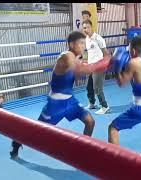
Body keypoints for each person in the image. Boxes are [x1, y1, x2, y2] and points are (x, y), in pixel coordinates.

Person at [10, 31, 111, 159]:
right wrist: (106, 61)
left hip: (70, 101)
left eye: (83, 43)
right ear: (71, 44)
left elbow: (79, 73)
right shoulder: (66, 56)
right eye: (80, 43)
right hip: (55, 104)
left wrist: (101, 63)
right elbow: (83, 71)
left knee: (90, 122)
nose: (83, 47)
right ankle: (17, 142)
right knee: (37, 131)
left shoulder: (75, 58)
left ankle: (83, 149)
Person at [82, 19, 110, 114]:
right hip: (90, 66)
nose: (86, 29)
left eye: (87, 27)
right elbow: (88, 53)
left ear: (91, 27)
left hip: (99, 66)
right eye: (84, 28)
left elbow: (106, 53)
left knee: (97, 88)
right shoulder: (87, 39)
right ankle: (92, 103)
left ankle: (104, 106)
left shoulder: (98, 38)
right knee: (88, 86)